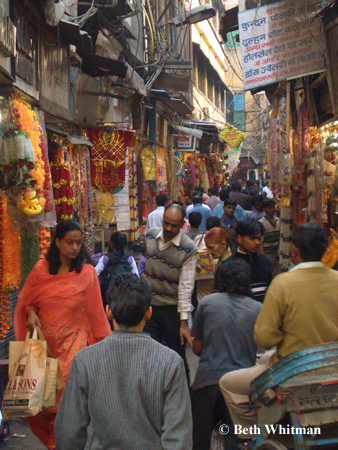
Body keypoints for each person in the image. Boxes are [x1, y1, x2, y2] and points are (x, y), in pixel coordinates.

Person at [219, 223, 338, 449]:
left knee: (229, 384)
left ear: (294, 250)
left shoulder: (283, 283)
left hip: (292, 373)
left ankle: (252, 436)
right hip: (333, 370)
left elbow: (264, 337)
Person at [55, 273, 192, 450]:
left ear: (108, 312)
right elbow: (179, 438)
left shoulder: (85, 360)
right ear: (148, 313)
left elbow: (68, 431)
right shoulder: (170, 363)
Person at [14, 220, 111, 450]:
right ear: (57, 242)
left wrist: (109, 348)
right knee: (40, 409)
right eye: (69, 242)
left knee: (65, 408)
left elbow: (97, 314)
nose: (75, 247)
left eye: (78, 243)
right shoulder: (40, 270)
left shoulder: (87, 273)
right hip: (43, 348)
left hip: (74, 347)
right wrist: (29, 312)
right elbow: (27, 300)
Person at [191, 259, 262, 450]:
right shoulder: (257, 309)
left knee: (199, 439)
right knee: (236, 441)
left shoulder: (206, 303)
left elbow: (197, 348)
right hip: (241, 386)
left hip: (207, 382)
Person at [143, 204, 198, 378]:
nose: (168, 228)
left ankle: (185, 399)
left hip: (171, 310)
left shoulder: (188, 248)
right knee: (147, 356)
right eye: (166, 223)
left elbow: (186, 286)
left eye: (174, 225)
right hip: (149, 307)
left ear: (182, 224)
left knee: (178, 358)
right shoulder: (150, 236)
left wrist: (183, 322)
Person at [216, 219, 272, 302]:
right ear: (240, 238)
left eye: (259, 238)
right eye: (252, 238)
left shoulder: (264, 262)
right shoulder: (227, 265)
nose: (257, 242)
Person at [95, 231, 138, 306]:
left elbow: (94, 274)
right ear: (125, 245)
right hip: (125, 299)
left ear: (112, 245)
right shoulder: (130, 259)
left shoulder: (106, 258)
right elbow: (136, 278)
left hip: (108, 299)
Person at [259, 199, 280, 278]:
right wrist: (263, 257)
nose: (273, 210)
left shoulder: (278, 221)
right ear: (264, 209)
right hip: (267, 254)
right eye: (270, 208)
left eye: (273, 207)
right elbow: (260, 242)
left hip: (277, 255)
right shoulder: (261, 223)